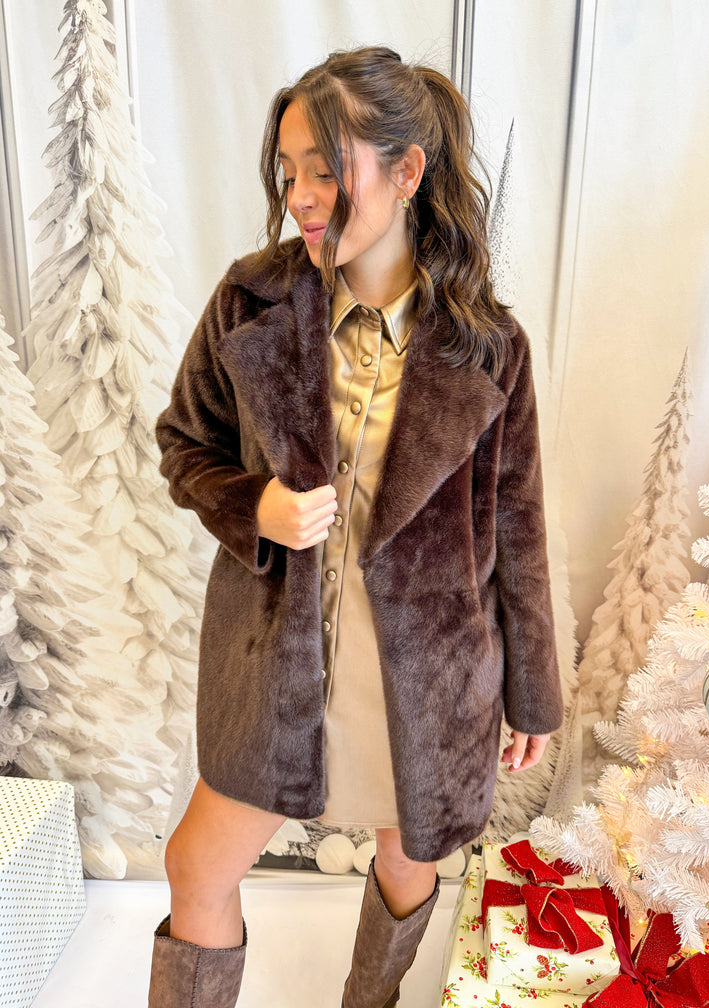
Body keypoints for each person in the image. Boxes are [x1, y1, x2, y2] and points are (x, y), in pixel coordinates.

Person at [148, 45, 563, 1008]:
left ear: (408, 171)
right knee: (197, 865)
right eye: (288, 170)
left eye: (326, 169)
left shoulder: (488, 347)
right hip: (276, 655)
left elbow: (519, 522)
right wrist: (254, 503)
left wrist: (533, 694)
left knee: (409, 857)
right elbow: (182, 442)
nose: (299, 194)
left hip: (425, 673)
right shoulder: (250, 302)